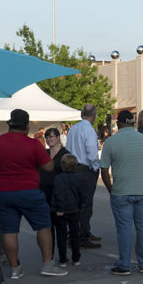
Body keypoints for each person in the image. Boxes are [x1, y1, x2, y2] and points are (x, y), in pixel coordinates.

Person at [0, 109, 67, 278]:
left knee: (9, 231)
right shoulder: (33, 144)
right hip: (29, 192)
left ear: (9, 125)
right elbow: (49, 167)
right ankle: (47, 264)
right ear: (27, 126)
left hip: (3, 193)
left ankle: (15, 268)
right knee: (43, 226)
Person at [101, 110, 143, 275]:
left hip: (121, 191)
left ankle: (124, 265)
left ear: (118, 123)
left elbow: (104, 170)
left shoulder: (111, 142)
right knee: (142, 228)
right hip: (141, 190)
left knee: (124, 229)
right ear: (133, 123)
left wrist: (110, 189)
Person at [66, 104, 102, 249]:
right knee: (86, 204)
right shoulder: (89, 130)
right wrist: (95, 167)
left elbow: (68, 148)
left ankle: (78, 232)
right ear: (93, 116)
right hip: (85, 169)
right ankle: (82, 236)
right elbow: (92, 152)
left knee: (76, 204)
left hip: (73, 167)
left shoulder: (73, 129)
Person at [51, 153, 84, 267]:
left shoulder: (58, 178)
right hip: (74, 209)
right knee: (74, 234)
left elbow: (58, 194)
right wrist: (80, 206)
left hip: (62, 210)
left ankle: (63, 259)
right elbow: (82, 194)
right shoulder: (79, 178)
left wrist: (58, 208)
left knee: (61, 235)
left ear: (62, 165)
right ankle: (76, 258)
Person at [39, 127, 69, 227]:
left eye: (51, 136)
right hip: (45, 194)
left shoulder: (65, 154)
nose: (48, 139)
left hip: (59, 195)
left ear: (57, 137)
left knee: (61, 226)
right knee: (48, 226)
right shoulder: (44, 153)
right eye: (46, 137)